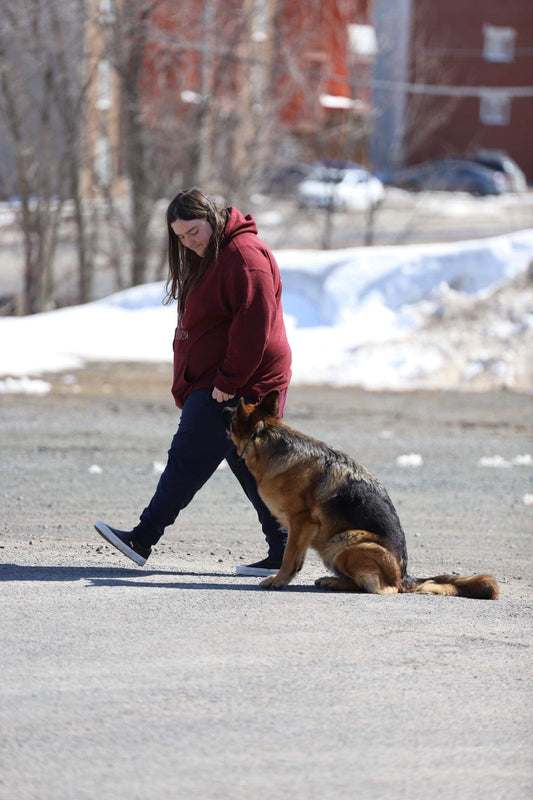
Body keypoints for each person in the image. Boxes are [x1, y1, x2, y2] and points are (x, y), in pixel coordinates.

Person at [94, 188, 292, 576]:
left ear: (212, 218)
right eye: (181, 237)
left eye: (194, 231)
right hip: (222, 377)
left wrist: (229, 380)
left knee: (186, 457)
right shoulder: (215, 254)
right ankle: (283, 549)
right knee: (246, 462)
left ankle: (142, 538)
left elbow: (255, 326)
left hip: (239, 380)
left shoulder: (244, 256)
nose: (189, 242)